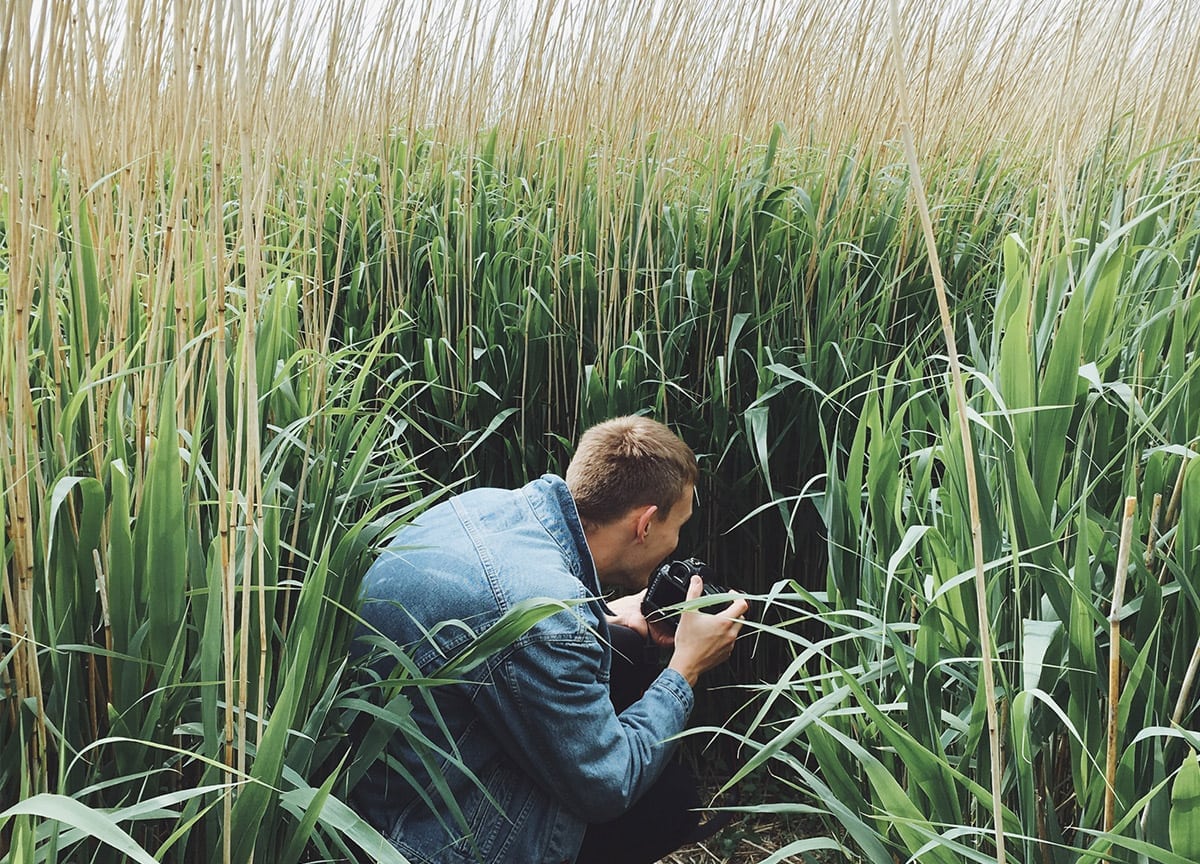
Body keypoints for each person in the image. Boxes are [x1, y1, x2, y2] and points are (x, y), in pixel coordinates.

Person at [351, 415, 749, 864]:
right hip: (428, 842)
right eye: (678, 527)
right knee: (669, 801)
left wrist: (609, 617)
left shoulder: (484, 507)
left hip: (387, 792)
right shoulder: (550, 619)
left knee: (627, 654)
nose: (677, 544)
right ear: (646, 525)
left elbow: (505, 612)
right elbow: (609, 784)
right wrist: (685, 668)